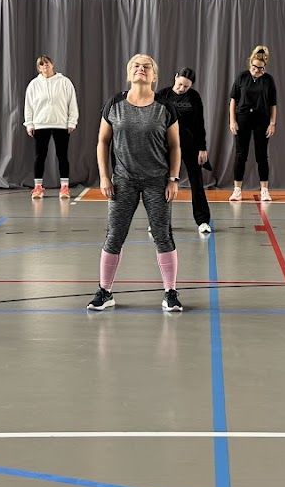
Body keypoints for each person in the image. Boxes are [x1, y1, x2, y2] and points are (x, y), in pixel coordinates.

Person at [86, 54, 183, 313]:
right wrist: (104, 177)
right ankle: (105, 292)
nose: (141, 69)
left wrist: (173, 179)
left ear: (154, 76)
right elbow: (102, 142)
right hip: (123, 181)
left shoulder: (165, 107)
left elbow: (175, 146)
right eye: (136, 66)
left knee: (163, 236)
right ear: (129, 73)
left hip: (157, 182)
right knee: (114, 235)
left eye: (146, 66)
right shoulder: (114, 104)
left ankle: (170, 293)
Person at [156, 67, 212, 234]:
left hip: (190, 145)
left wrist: (202, 148)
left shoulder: (194, 97)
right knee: (163, 183)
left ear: (191, 86)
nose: (182, 89)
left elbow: (199, 124)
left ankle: (203, 221)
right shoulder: (163, 95)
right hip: (166, 146)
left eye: (186, 86)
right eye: (180, 84)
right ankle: (160, 222)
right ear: (175, 78)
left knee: (197, 183)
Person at [23, 55, 78, 199]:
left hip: (61, 124)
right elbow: (28, 105)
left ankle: (64, 187)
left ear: (52, 64)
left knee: (62, 156)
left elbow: (72, 103)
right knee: (40, 157)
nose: (45, 66)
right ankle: (38, 187)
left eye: (47, 63)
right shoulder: (34, 84)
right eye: (41, 64)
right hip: (41, 125)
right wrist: (29, 124)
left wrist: (72, 122)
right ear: (39, 68)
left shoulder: (64, 82)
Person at [228, 45, 277, 202]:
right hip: (242, 118)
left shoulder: (268, 80)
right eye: (254, 67)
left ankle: (264, 190)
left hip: (261, 119)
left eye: (260, 68)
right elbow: (233, 100)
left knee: (261, 155)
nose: (256, 70)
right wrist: (232, 121)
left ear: (264, 67)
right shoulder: (242, 77)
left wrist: (272, 123)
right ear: (251, 63)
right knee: (240, 154)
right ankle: (237, 190)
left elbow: (273, 104)